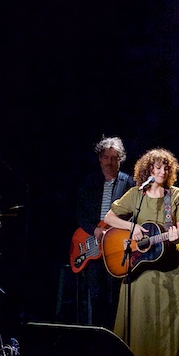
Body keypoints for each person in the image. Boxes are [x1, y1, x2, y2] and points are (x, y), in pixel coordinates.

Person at [103, 147, 179, 356]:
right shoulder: (136, 195)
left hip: (171, 263)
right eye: (158, 168)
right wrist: (132, 228)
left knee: (178, 314)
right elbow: (109, 218)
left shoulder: (175, 195)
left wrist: (176, 236)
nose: (162, 172)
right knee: (142, 315)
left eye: (166, 168)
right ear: (148, 170)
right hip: (142, 264)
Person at [74, 136, 135, 329]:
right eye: (106, 157)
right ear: (100, 158)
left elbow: (134, 215)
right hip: (93, 244)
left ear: (121, 159)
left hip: (116, 246)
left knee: (116, 296)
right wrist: (95, 229)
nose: (109, 162)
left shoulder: (129, 183)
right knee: (96, 296)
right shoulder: (90, 183)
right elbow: (80, 214)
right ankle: (97, 337)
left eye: (114, 158)